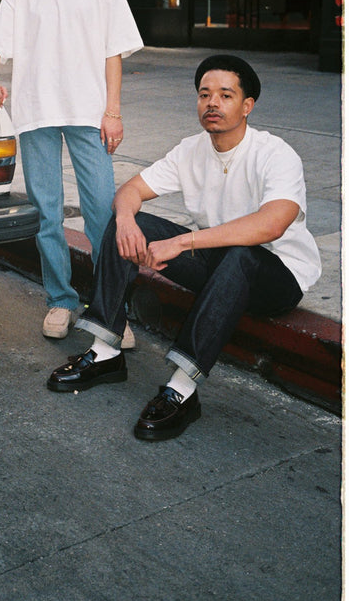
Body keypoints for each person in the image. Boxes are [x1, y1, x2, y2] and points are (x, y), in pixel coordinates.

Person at [47, 54, 322, 440]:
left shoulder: (274, 154)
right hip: (219, 264)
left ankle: (181, 390)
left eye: (226, 95)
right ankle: (106, 353)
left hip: (276, 276)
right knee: (129, 220)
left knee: (241, 256)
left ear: (247, 106)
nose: (212, 103)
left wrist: (182, 242)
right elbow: (131, 190)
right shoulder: (192, 149)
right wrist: (125, 221)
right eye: (205, 94)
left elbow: (272, 224)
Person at [0, 0, 143, 341]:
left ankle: (112, 308)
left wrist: (113, 110)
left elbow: (114, 51)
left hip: (89, 111)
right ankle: (60, 300)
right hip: (35, 111)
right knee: (46, 211)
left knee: (100, 214)